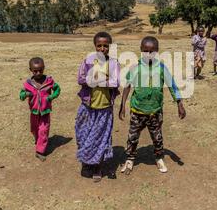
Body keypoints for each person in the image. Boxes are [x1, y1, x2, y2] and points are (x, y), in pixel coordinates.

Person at [119, 36, 186, 175]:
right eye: (145, 51)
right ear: (140, 50)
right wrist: (122, 105)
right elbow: (127, 87)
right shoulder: (135, 67)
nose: (148, 54)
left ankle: (159, 157)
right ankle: (130, 158)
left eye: (152, 51)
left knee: (157, 137)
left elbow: (172, 85)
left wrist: (179, 103)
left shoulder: (161, 68)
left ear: (157, 52)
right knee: (132, 137)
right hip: (137, 110)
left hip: (155, 111)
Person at [75, 32, 121, 182]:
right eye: (99, 46)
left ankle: (97, 167)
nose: (102, 49)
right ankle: (87, 162)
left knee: (102, 138)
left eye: (105, 46)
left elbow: (115, 82)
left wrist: (96, 79)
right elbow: (81, 79)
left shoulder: (114, 64)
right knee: (84, 135)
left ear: (110, 47)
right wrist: (103, 78)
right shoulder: (88, 62)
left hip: (105, 107)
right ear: (95, 46)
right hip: (88, 107)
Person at [20, 57, 61, 162]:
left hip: (45, 112)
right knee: (34, 129)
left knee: (43, 130)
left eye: (41, 70)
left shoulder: (49, 81)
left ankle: (40, 151)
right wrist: (25, 94)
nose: (38, 73)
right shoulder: (28, 83)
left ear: (44, 68)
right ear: (30, 70)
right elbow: (21, 95)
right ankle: (37, 139)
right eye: (35, 71)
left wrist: (51, 97)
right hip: (33, 112)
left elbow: (57, 89)